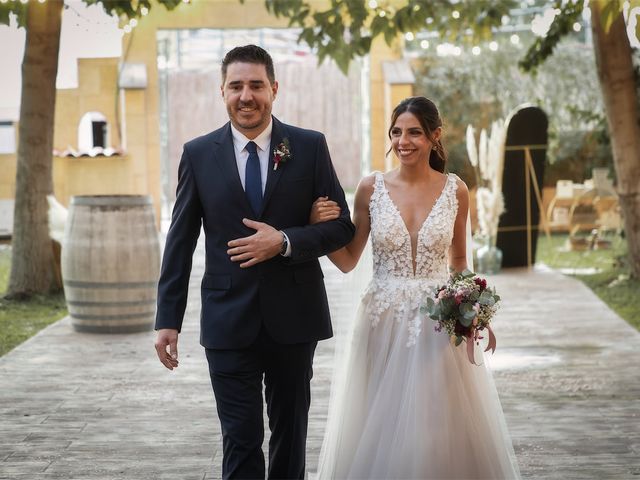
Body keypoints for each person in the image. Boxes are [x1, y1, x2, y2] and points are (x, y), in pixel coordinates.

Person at [153, 44, 355, 480]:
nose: (247, 96)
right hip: (228, 320)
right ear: (222, 92)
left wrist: (283, 241)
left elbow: (342, 228)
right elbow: (180, 239)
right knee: (241, 439)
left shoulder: (308, 146)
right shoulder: (198, 153)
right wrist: (167, 318)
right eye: (236, 86)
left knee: (290, 436)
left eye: (256, 85)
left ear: (274, 89)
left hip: (294, 318)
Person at [312, 96, 521, 479]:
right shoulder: (369, 188)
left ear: (434, 136)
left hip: (438, 323)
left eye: (414, 132)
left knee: (435, 420)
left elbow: (459, 263)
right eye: (396, 132)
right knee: (383, 418)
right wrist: (316, 230)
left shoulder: (455, 190)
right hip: (382, 321)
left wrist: (477, 314)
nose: (403, 141)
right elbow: (347, 260)